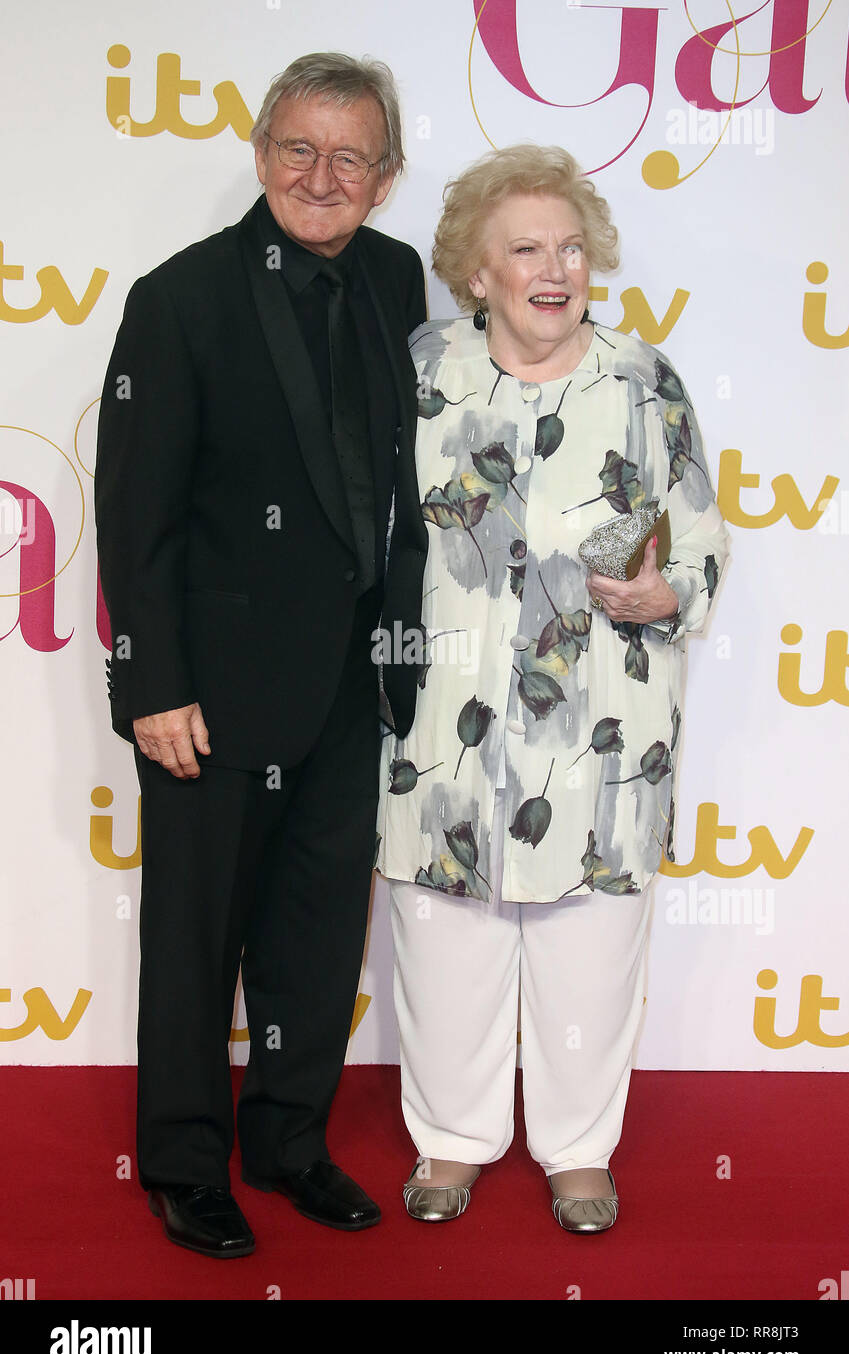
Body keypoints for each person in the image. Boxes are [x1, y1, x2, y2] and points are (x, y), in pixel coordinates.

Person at [95, 52, 427, 1258]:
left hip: (353, 684)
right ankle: (185, 1163)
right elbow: (137, 517)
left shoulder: (396, 282)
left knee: (312, 934)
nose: (320, 175)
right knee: (195, 940)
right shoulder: (178, 299)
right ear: (259, 152)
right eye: (298, 147)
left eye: (350, 156)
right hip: (213, 694)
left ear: (385, 179)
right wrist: (152, 683)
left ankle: (289, 1141)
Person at [376, 144, 729, 1230]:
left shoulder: (644, 377)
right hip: (445, 722)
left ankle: (579, 1149)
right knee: (444, 938)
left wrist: (667, 589)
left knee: (591, 943)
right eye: (525, 247)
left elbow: (705, 534)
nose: (554, 267)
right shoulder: (418, 371)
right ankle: (450, 1140)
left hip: (606, 726)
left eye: (571, 248)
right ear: (475, 271)